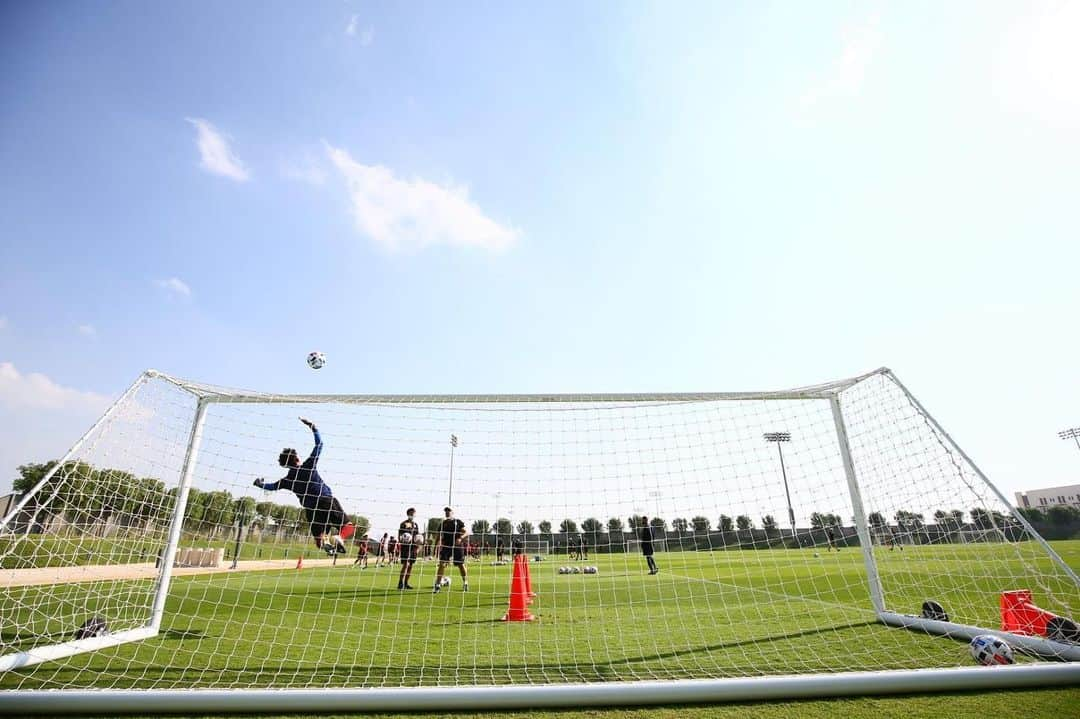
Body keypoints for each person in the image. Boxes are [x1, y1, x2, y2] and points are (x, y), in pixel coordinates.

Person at [255, 418, 352, 549]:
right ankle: (339, 539)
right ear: (297, 458)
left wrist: (259, 484)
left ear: (284, 465)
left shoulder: (287, 480)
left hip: (311, 510)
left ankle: (325, 543)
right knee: (349, 527)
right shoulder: (308, 466)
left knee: (319, 539)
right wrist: (313, 427)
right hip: (325, 500)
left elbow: (272, 487)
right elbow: (319, 445)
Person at [434, 506, 469, 593]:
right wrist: (435, 547)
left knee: (460, 564)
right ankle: (437, 585)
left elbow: (466, 532)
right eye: (446, 511)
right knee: (442, 564)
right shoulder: (443, 523)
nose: (447, 512)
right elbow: (438, 536)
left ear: (452, 512)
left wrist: (460, 538)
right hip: (446, 546)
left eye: (449, 511)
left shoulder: (458, 522)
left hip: (457, 545)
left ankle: (465, 583)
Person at [397, 508, 420, 590]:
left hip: (413, 548)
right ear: (408, 514)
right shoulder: (403, 524)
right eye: (411, 513)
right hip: (406, 547)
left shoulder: (416, 524)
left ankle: (406, 583)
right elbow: (400, 535)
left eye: (414, 513)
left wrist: (418, 547)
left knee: (411, 565)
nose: (412, 515)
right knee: (406, 564)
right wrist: (402, 540)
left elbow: (418, 537)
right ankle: (400, 583)